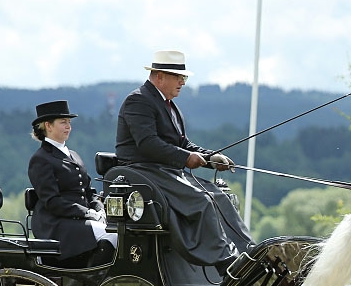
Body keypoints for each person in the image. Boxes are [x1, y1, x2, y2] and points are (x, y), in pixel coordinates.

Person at [115, 50, 253, 271]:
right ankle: (226, 263)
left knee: (219, 197)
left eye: (184, 77)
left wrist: (209, 158)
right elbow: (148, 143)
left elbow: (183, 143)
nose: (182, 82)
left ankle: (248, 254)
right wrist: (186, 158)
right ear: (159, 76)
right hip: (144, 172)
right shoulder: (138, 100)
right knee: (203, 200)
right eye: (178, 77)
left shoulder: (169, 105)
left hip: (166, 173)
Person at [28, 100, 117, 267]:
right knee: (112, 235)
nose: (68, 126)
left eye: (69, 122)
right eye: (63, 122)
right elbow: (52, 202)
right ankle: (93, 282)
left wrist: (98, 208)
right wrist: (87, 213)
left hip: (80, 222)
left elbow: (89, 191)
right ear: (48, 126)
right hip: (56, 225)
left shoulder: (74, 155)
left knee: (119, 233)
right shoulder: (40, 159)